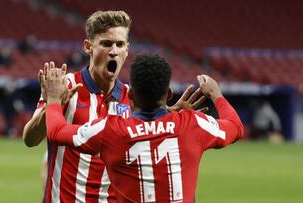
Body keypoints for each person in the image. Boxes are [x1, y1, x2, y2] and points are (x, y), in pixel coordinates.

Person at [23, 11, 206, 202]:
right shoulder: (65, 86)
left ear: (127, 49)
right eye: (106, 43)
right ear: (88, 47)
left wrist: (172, 117)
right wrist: (53, 104)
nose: (113, 51)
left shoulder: (133, 98)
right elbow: (30, 139)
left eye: (119, 44)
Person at [42, 53, 244, 203]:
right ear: (169, 94)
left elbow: (55, 131)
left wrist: (52, 99)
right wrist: (216, 94)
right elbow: (235, 126)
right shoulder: (192, 124)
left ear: (130, 95)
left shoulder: (110, 131)